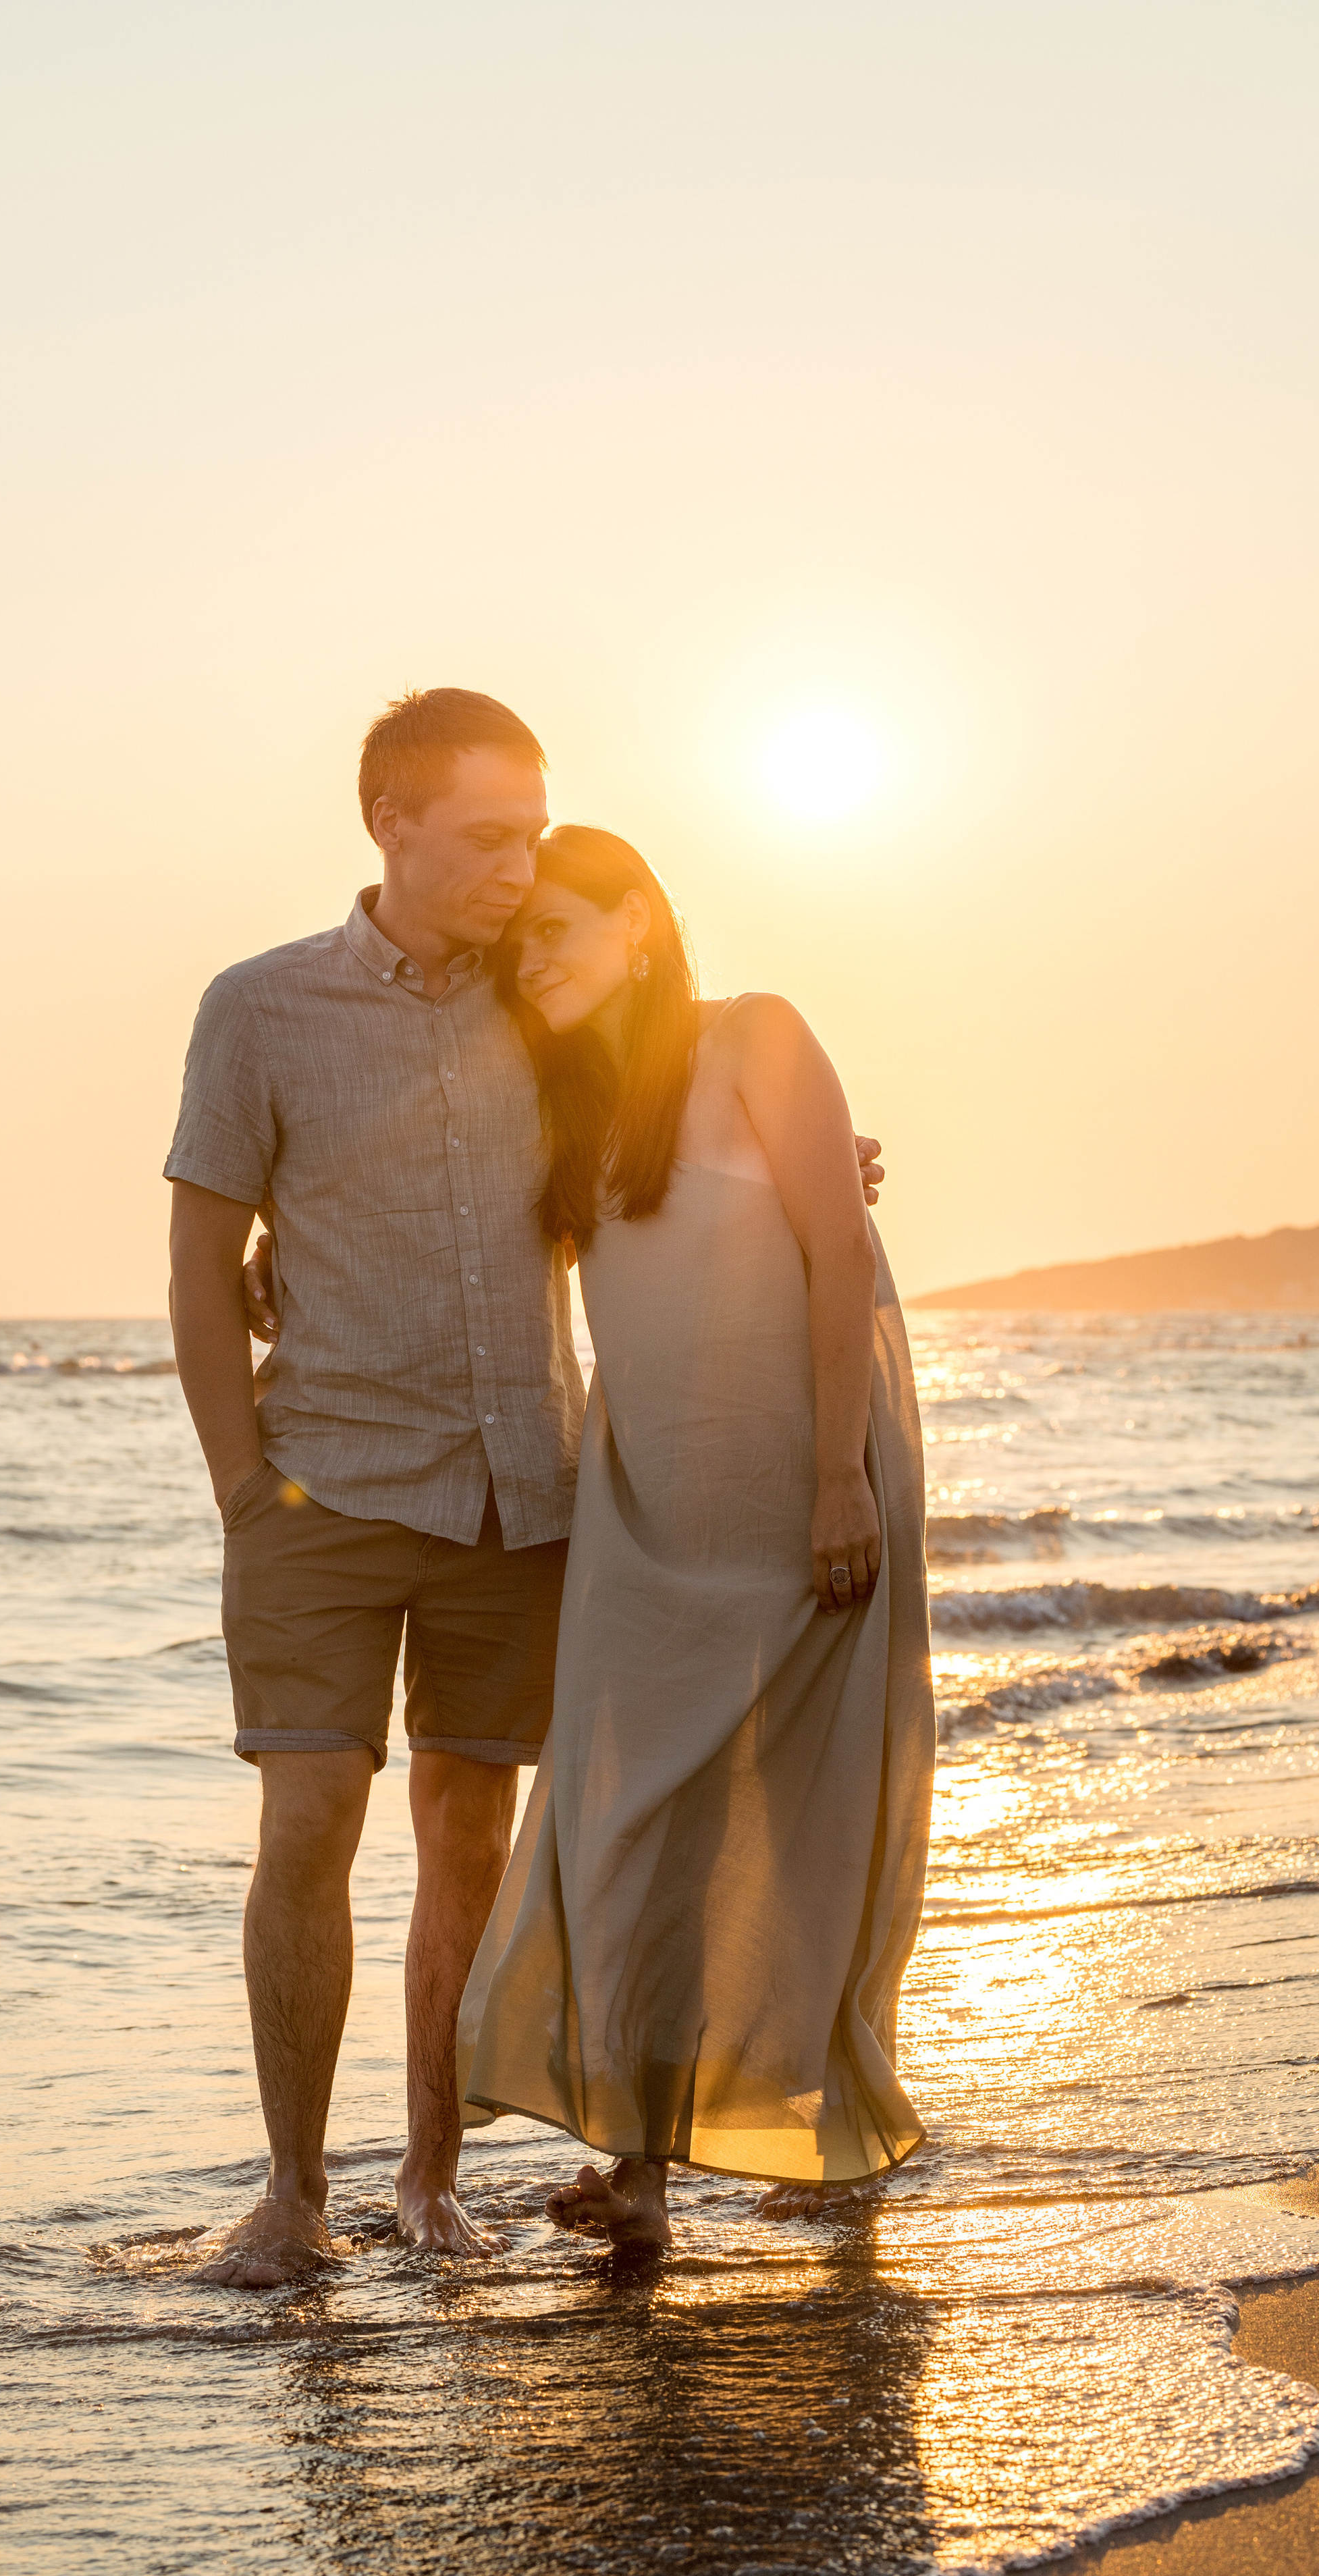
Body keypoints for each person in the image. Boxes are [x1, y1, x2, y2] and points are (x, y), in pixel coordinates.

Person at [165, 693, 887, 2286]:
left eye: (533, 834)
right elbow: (202, 1261)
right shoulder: (260, 1008)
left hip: (520, 1495)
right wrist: (238, 1485)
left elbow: (665, 1136)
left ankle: (430, 2179)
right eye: (489, 836)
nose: (517, 868)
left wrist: (818, 1165)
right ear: (390, 822)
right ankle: (291, 2192)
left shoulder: (543, 999)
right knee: (307, 1818)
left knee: (473, 1835)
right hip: (320, 1484)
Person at [456, 825, 935, 2249]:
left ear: (638, 925)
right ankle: (642, 2165)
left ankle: (819, 2127)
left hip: (799, 1486)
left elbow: (838, 1251)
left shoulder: (753, 1035)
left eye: (553, 930)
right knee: (620, 1816)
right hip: (643, 1499)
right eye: (514, 949)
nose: (530, 963)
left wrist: (839, 1478)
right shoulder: (561, 1105)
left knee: (807, 1809)